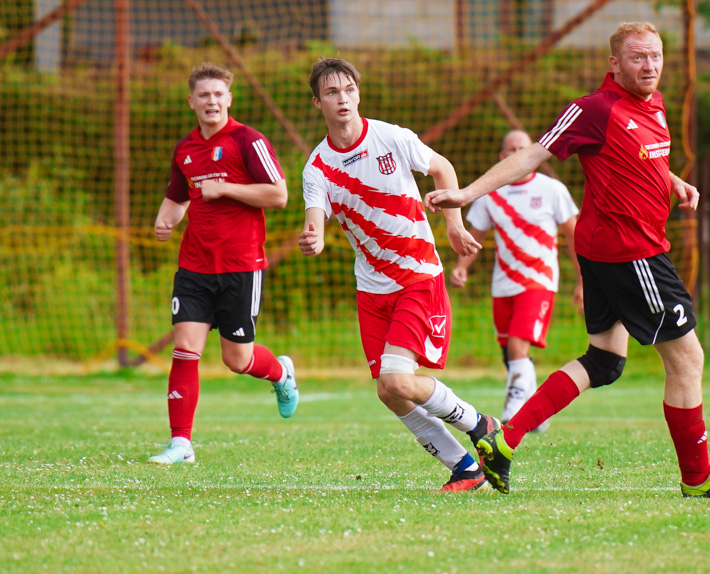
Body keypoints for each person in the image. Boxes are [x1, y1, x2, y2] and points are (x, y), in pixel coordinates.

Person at [426, 22, 710, 498]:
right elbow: (530, 157)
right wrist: (465, 194)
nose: (650, 66)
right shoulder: (593, 109)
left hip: (611, 250)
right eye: (638, 58)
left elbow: (642, 158)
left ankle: (504, 439)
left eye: (656, 56)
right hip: (632, 252)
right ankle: (699, 477)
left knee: (603, 362)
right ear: (614, 63)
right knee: (688, 358)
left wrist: (673, 182)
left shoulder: (656, 105)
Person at [298, 57, 499, 493]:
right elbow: (315, 214)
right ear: (318, 103)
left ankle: (481, 424)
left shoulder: (391, 137)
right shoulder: (317, 167)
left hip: (418, 277)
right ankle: (466, 468)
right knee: (389, 392)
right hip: (371, 288)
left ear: (358, 94)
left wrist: (454, 224)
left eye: (349, 89)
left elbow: (442, 168)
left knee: (397, 380)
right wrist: (312, 234)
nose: (343, 98)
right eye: (332, 92)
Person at [148, 62, 299, 464]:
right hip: (194, 266)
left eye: (218, 94)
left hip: (241, 266)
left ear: (229, 99)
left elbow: (279, 195)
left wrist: (225, 188)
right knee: (185, 348)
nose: (211, 101)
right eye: (204, 95)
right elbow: (178, 197)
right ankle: (181, 443)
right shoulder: (186, 148)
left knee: (238, 360)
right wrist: (166, 219)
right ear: (192, 101)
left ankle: (281, 373)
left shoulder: (248, 141)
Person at [450, 129, 581, 427]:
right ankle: (537, 414)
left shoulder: (552, 190)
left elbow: (575, 237)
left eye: (523, 148)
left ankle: (514, 413)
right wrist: (462, 267)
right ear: (501, 157)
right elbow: (475, 237)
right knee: (509, 352)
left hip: (540, 282)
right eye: (510, 149)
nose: (517, 153)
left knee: (518, 347)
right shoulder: (489, 195)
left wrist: (582, 280)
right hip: (503, 284)